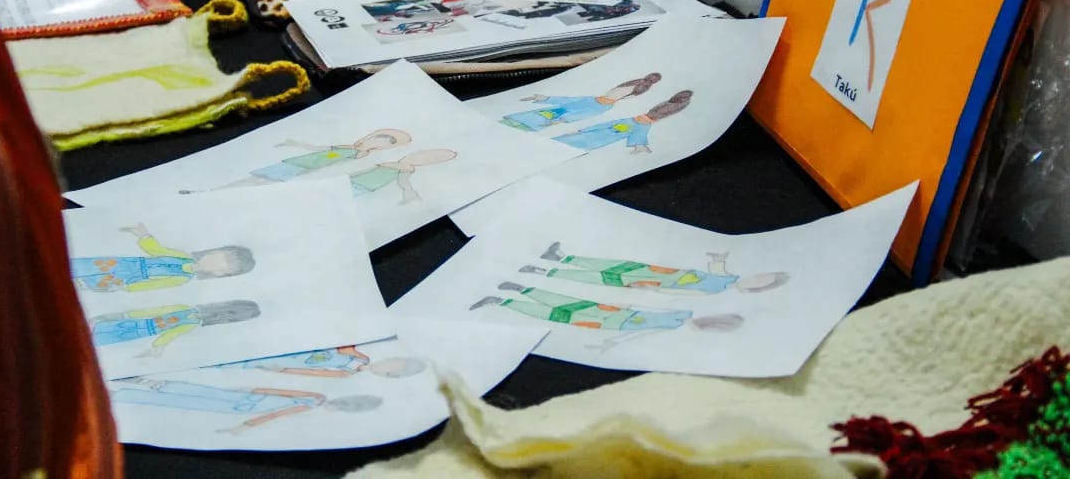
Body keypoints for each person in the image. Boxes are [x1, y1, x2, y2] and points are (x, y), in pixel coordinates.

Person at [109, 377, 381, 434]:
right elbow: (280, 398)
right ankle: (141, 384)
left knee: (189, 397)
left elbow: (276, 414)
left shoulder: (313, 410)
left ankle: (123, 393)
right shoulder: (314, 400)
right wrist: (252, 390)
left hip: (241, 408)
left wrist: (242, 426)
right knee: (194, 392)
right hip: (244, 404)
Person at [179, 129, 412, 193]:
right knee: (253, 179)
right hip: (297, 163)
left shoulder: (362, 157)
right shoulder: (349, 147)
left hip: (305, 173)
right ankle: (210, 192)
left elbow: (338, 167)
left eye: (389, 142)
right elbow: (319, 150)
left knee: (262, 188)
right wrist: (295, 143)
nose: (381, 142)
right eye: (382, 136)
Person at [519, 242, 789, 295]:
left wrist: (651, 287)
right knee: (611, 266)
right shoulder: (728, 278)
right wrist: (718, 256)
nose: (755, 277)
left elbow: (682, 293)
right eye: (760, 275)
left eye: (760, 281)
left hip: (657, 282)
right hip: (657, 272)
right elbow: (716, 266)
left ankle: (544, 272)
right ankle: (561, 257)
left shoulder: (719, 291)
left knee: (602, 277)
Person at [471, 281, 742, 334]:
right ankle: (520, 289)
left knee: (557, 314)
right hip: (617, 315)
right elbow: (648, 305)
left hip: (612, 323)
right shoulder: (683, 313)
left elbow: (641, 331)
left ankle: (503, 301)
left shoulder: (680, 327)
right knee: (566, 306)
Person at [71, 223, 255, 292]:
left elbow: (152, 285)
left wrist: (126, 287)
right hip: (126, 263)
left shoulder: (181, 279)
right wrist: (144, 235)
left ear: (219, 273)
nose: (211, 260)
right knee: (86, 266)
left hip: (130, 278)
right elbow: (157, 250)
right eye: (215, 256)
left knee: (88, 282)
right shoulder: (183, 256)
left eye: (218, 265)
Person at [89, 299, 260, 358]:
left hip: (139, 329)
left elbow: (169, 333)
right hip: (138, 327)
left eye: (230, 315)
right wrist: (124, 315)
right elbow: (158, 314)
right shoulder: (188, 314)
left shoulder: (191, 320)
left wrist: (158, 348)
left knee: (98, 337)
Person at [500, 73, 661, 132]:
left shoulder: (602, 108)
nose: (614, 91)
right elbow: (568, 100)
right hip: (538, 114)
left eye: (619, 92)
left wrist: (560, 121)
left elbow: (582, 115)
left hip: (544, 121)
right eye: (616, 89)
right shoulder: (592, 98)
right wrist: (545, 98)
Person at [552, 90, 692, 154]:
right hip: (589, 138)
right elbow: (605, 125)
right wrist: (580, 130)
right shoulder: (635, 123)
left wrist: (640, 146)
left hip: (592, 141)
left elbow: (638, 136)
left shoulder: (639, 126)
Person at [230, 346, 427, 380]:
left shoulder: (346, 373)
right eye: (392, 362)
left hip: (286, 362)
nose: (385, 367)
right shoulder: (359, 356)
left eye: (390, 371)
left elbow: (314, 373)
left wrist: (283, 370)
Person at [347, 148, 457, 204]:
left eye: (426, 158)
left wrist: (409, 193)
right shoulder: (394, 163)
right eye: (416, 154)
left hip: (363, 186)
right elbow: (368, 170)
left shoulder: (406, 168)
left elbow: (403, 182)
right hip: (355, 182)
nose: (413, 156)